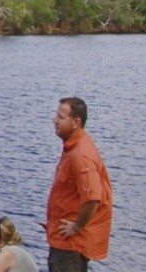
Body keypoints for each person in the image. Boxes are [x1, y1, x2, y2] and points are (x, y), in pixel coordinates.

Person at [46, 97, 112, 272]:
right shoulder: (73, 148)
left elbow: (93, 198)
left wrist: (77, 226)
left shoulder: (80, 155)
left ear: (76, 122)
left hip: (70, 247)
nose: (55, 121)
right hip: (62, 242)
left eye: (60, 117)